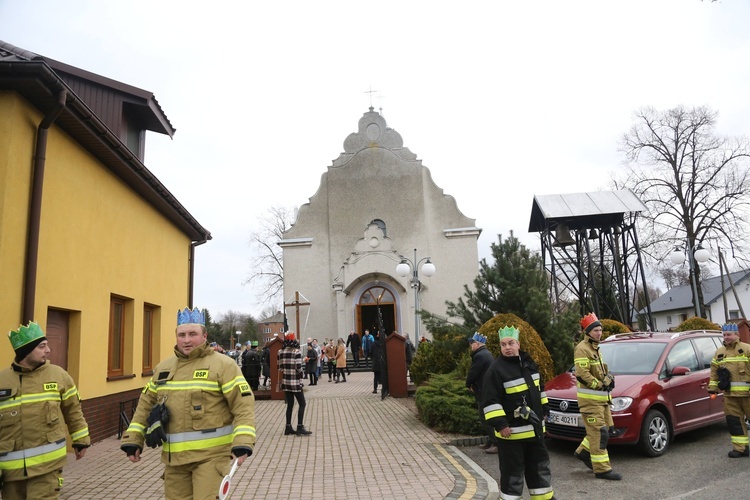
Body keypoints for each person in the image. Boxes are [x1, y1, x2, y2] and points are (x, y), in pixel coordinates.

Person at [121, 307, 256, 499]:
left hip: (211, 458)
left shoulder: (224, 366)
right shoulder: (163, 368)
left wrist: (243, 442)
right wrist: (134, 439)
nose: (187, 340)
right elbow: (144, 405)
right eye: (182, 334)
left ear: (204, 336)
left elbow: (243, 406)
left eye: (193, 334)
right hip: (174, 461)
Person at [0, 321, 90, 499]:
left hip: (47, 468)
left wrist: (80, 439)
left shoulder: (59, 375)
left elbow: (73, 410)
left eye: (47, 345)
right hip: (10, 473)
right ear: (26, 351)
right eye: (42, 346)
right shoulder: (3, 380)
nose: (48, 350)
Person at [482, 326, 555, 500]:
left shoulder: (529, 364)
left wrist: (545, 409)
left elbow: (540, 389)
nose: (507, 347)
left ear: (518, 344)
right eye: (503, 344)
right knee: (512, 473)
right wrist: (500, 424)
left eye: (510, 343)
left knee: (539, 468)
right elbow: (490, 401)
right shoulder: (495, 370)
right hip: (512, 435)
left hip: (535, 431)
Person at [573, 313, 621, 480]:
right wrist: (600, 384)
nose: (599, 333)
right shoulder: (582, 349)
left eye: (601, 330)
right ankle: (602, 469)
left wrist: (609, 379)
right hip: (590, 402)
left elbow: (599, 371)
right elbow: (581, 374)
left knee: (602, 431)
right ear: (588, 332)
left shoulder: (595, 348)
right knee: (600, 434)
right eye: (596, 330)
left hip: (601, 400)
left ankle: (583, 453)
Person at [708, 323, 750, 457]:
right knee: (734, 422)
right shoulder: (719, 352)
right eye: (724, 335)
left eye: (729, 335)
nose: (726, 337)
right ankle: (740, 449)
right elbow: (714, 372)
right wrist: (713, 388)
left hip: (748, 395)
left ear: (737, 335)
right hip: (730, 396)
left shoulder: (747, 349)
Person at [465, 332, 498, 454]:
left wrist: (468, 384)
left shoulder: (480, 356)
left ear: (477, 344)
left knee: (485, 418)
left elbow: (473, 372)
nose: (470, 346)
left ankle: (496, 443)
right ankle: (490, 441)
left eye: (472, 343)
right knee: (487, 417)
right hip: (487, 390)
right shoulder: (485, 354)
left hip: (484, 391)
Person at [277, 333, 312, 436]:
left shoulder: (280, 352)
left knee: (290, 405)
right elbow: (298, 367)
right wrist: (302, 372)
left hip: (286, 382)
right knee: (302, 403)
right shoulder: (296, 352)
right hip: (295, 382)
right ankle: (300, 426)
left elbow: (279, 367)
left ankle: (288, 427)